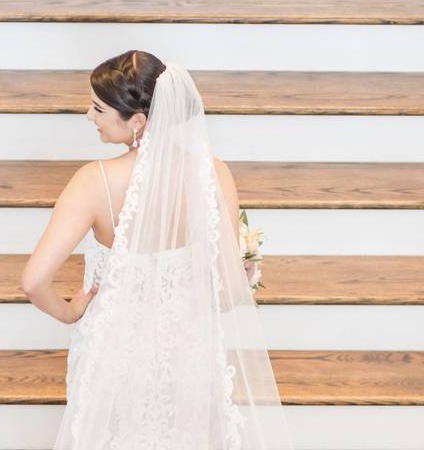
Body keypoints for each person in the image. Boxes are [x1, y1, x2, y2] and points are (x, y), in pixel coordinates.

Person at [21, 50, 294, 449]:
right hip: (188, 355)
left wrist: (70, 310)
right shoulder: (214, 173)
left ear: (138, 121)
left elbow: (33, 281)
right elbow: (230, 291)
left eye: (99, 108)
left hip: (116, 358)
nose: (89, 116)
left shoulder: (93, 181)